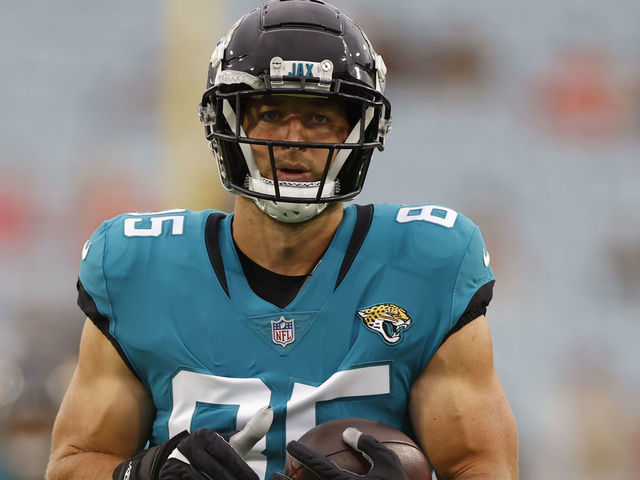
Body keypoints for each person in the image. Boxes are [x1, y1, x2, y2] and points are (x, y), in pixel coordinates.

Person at [47, 1, 518, 480]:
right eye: (271, 113)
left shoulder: (428, 262)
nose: (294, 139)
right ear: (228, 124)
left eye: (319, 118)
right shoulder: (139, 267)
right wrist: (146, 473)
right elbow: (71, 465)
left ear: (361, 129)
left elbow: (482, 466)